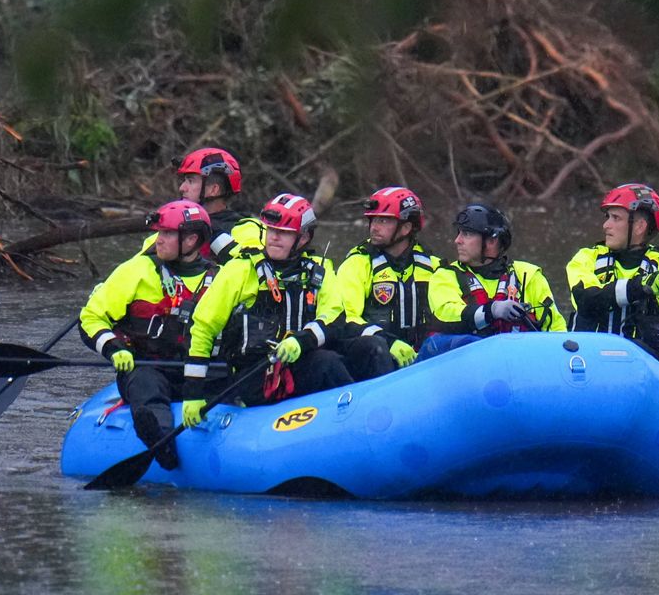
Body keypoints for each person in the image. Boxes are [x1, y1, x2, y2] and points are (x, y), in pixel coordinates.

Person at [179, 193, 370, 426]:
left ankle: (363, 417)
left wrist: (301, 340)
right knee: (325, 363)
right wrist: (192, 393)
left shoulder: (319, 271)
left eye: (284, 233)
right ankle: (354, 423)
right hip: (254, 375)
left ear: (303, 238)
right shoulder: (240, 270)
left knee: (353, 353)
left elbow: (335, 317)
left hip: (301, 360)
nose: (274, 238)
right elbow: (203, 328)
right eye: (271, 230)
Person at [79, 200, 216, 469]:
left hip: (199, 371)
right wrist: (114, 348)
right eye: (159, 232)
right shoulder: (137, 270)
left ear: (191, 240)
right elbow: (91, 318)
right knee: (147, 384)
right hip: (147, 367)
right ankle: (162, 443)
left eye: (167, 234)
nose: (158, 239)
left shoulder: (220, 278)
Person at [565, 183, 659, 371]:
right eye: (607, 217)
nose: (606, 225)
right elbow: (587, 299)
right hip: (587, 369)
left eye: (616, 218)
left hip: (645, 373)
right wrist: (638, 288)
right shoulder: (586, 259)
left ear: (639, 226)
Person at [421, 203, 566, 359]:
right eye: (459, 233)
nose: (457, 240)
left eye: (467, 234)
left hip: (519, 362)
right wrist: (491, 311)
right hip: (466, 363)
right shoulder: (445, 276)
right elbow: (446, 315)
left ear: (491, 241)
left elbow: (556, 329)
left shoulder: (528, 275)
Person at [331, 186, 440, 370]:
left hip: (420, 355)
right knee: (376, 348)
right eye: (373, 220)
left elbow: (449, 311)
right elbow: (346, 318)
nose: (374, 227)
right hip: (376, 355)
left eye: (383, 221)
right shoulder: (357, 264)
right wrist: (387, 341)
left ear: (406, 227)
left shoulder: (433, 266)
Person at [141, 147, 263, 263]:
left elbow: (255, 267)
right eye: (184, 181)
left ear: (214, 190)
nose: (182, 188)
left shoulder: (246, 230)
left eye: (191, 181)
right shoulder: (166, 231)